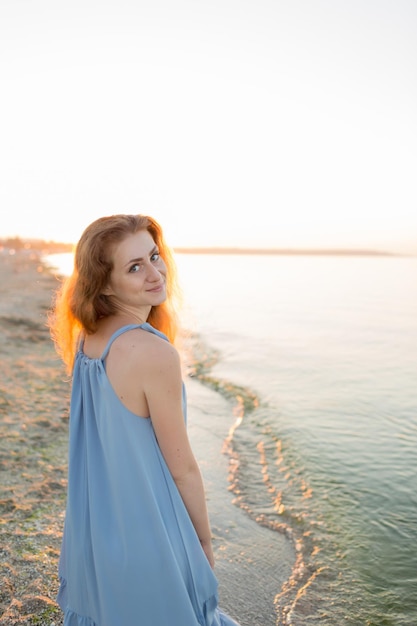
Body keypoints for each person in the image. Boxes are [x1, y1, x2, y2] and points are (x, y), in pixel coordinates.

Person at [49, 214, 241, 626]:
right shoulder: (152, 353)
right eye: (134, 267)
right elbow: (183, 468)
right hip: (149, 525)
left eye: (155, 257)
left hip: (99, 525)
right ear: (103, 282)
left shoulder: (89, 337)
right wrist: (202, 544)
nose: (155, 273)